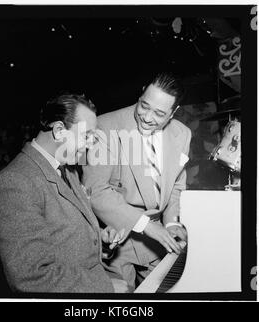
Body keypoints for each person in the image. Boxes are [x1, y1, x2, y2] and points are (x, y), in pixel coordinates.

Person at [0, 93, 127, 293]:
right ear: (59, 130)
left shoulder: (67, 170)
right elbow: (31, 276)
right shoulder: (13, 184)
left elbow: (65, 236)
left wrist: (99, 239)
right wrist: (106, 287)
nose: (90, 143)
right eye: (86, 135)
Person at [82, 73, 191, 290]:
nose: (148, 117)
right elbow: (96, 190)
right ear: (141, 92)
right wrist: (147, 226)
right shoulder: (104, 126)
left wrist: (171, 223)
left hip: (160, 240)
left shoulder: (183, 133)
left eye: (159, 113)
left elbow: (177, 186)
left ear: (174, 112)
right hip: (116, 239)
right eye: (144, 105)